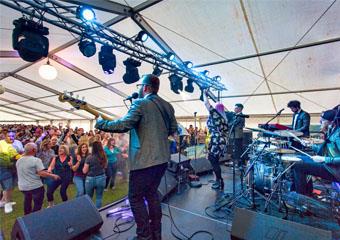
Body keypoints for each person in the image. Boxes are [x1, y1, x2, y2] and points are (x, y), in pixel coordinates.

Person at [95, 74, 177, 240]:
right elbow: (172, 129)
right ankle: (156, 234)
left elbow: (123, 125)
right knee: (152, 194)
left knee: (135, 198)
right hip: (162, 159)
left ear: (145, 87)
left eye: (140, 86)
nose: (138, 89)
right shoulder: (167, 105)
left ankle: (143, 236)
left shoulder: (140, 103)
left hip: (144, 161)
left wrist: (101, 123)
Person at [292, 107, 339, 196]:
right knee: (298, 159)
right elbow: (325, 149)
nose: (320, 123)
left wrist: (324, 159)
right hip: (329, 165)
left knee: (298, 165)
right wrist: (310, 145)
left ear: (331, 122)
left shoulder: (338, 135)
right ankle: (307, 193)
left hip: (334, 170)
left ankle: (301, 199)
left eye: (323, 121)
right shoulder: (332, 131)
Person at [16, 143, 60, 215]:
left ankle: (27, 217)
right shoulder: (36, 160)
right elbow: (41, 173)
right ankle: (35, 217)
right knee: (37, 204)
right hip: (35, 186)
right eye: (36, 148)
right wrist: (53, 176)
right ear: (34, 150)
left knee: (27, 201)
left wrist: (43, 171)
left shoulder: (19, 160)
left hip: (23, 187)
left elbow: (29, 171)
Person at [203, 90, 228, 190]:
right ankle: (218, 180)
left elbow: (206, 103)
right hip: (221, 140)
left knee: (213, 161)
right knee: (215, 161)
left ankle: (219, 180)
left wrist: (204, 94)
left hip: (216, 140)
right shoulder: (224, 118)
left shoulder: (215, 114)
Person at [0, 131, 21, 210]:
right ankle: (6, 204)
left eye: (13, 136)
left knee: (12, 185)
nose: (11, 137)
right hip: (5, 168)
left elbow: (20, 151)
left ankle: (4, 201)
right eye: (9, 136)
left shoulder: (17, 143)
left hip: (14, 167)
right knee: (7, 186)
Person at [83, 141, 107, 208]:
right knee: (99, 198)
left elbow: (84, 171)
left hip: (90, 179)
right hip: (101, 178)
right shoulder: (104, 156)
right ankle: (98, 212)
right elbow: (105, 166)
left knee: (89, 198)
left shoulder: (89, 157)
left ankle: (90, 212)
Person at [229, 103, 246, 167]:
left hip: (237, 135)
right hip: (236, 135)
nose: (234, 109)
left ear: (239, 109)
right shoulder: (236, 115)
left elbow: (233, 123)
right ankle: (240, 163)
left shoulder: (240, 116)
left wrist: (226, 124)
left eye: (236, 108)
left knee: (238, 149)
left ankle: (239, 163)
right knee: (238, 149)